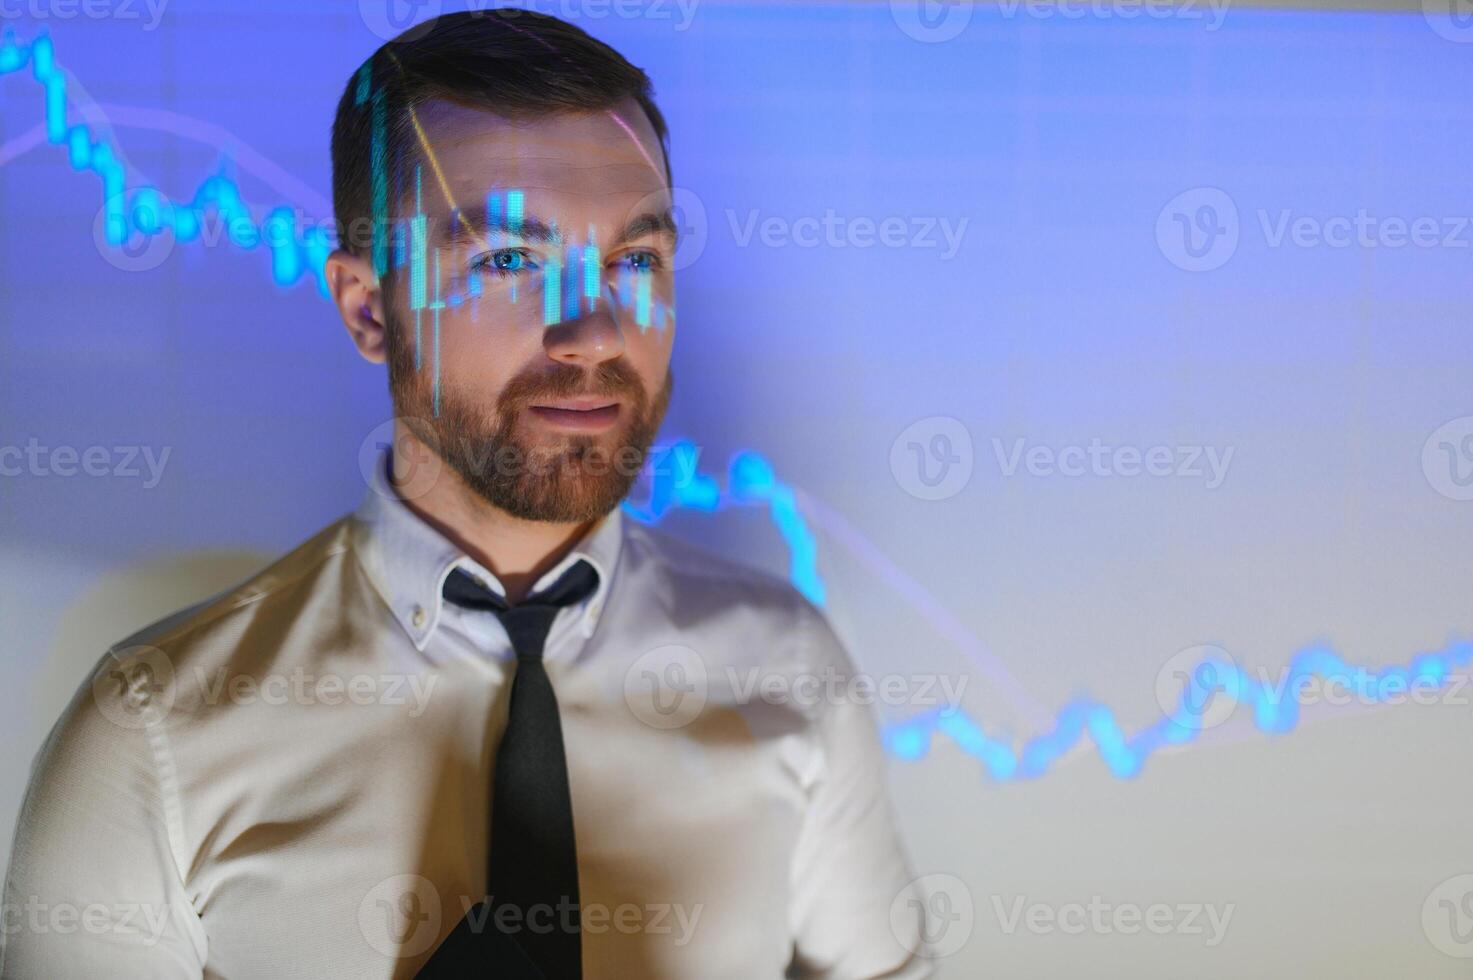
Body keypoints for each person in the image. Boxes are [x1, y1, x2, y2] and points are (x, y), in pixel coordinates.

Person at [0, 11, 927, 978]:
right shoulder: (152, 734)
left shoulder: (789, 664)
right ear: (368, 308)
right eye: (508, 262)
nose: (593, 333)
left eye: (635, 260)